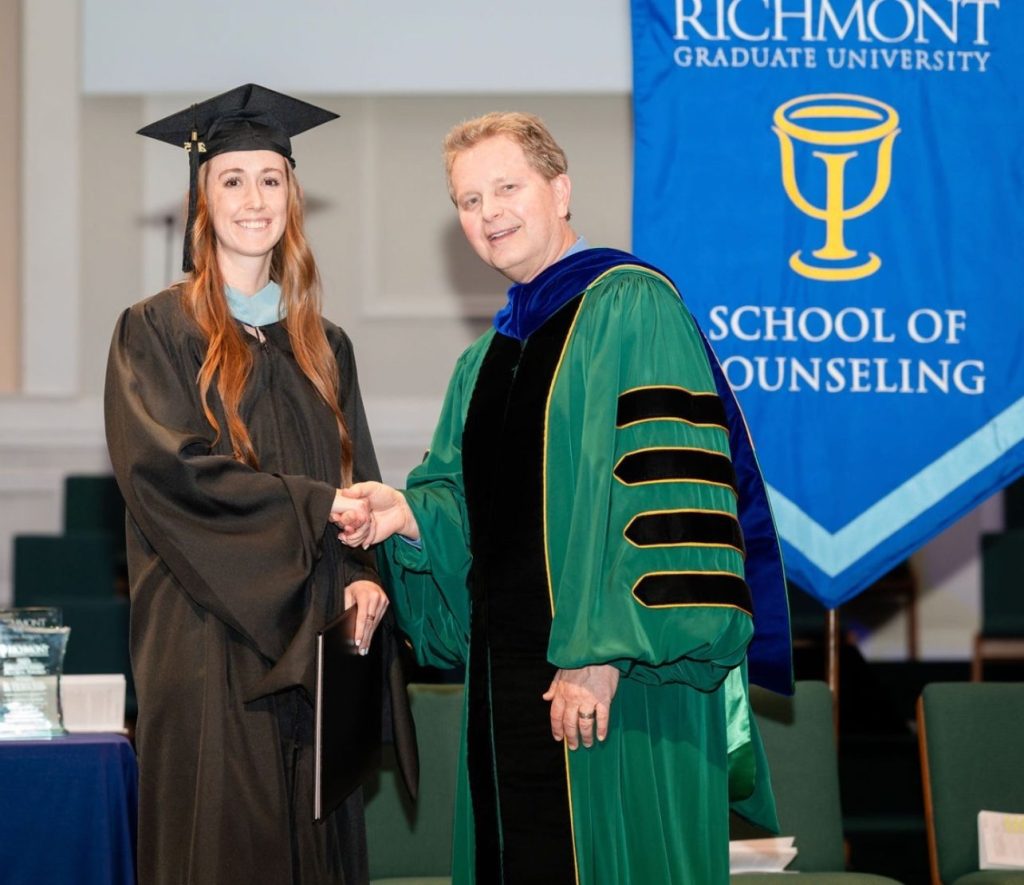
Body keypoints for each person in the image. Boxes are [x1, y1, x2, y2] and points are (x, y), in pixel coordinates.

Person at [335, 112, 792, 884]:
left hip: (624, 690)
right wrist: (408, 517)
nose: (489, 213)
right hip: (507, 693)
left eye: (506, 188)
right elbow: (474, 515)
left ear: (560, 189)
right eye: (469, 200)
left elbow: (666, 498)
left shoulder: (633, 305)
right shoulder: (484, 361)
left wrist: (603, 651)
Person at [104, 84, 413, 885]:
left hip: (317, 640)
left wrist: (362, 572)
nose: (254, 199)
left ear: (292, 197)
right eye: (232, 180)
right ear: (202, 202)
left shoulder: (325, 346)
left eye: (270, 179)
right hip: (210, 641)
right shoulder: (155, 330)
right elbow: (171, 475)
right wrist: (318, 508)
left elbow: (358, 479)